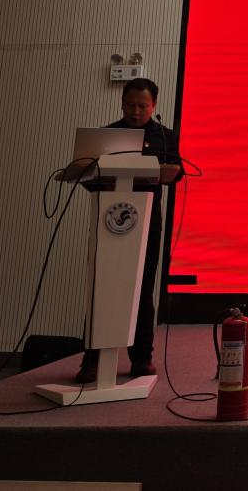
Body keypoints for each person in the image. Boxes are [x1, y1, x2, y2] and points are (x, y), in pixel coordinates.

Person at [75, 78, 178, 384]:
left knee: (142, 289)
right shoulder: (106, 136)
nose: (136, 111)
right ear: (122, 104)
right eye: (131, 105)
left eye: (142, 106)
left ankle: (141, 358)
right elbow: (88, 175)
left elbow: (176, 173)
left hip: (146, 221)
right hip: (108, 218)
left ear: (153, 106)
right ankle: (92, 361)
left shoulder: (164, 136)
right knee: (102, 287)